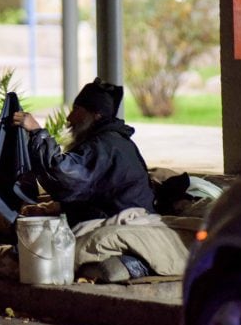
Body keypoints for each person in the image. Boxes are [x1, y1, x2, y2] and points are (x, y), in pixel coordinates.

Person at [12, 77, 155, 228]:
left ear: (96, 115)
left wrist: (36, 131)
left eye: (77, 110)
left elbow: (64, 177)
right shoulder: (111, 140)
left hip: (117, 222)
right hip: (114, 212)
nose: (69, 118)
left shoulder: (104, 145)